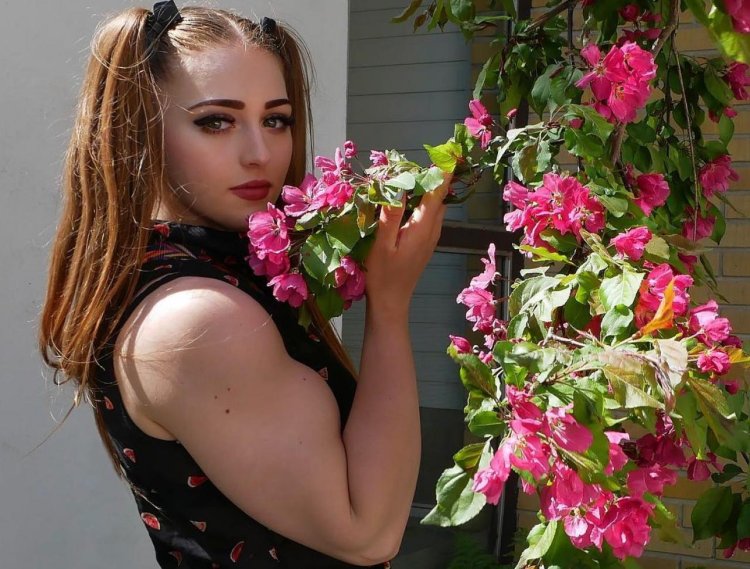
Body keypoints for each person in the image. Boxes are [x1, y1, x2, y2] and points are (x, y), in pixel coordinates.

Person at [39, 2, 449, 568]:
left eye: (276, 120)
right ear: (141, 129)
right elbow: (367, 533)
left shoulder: (206, 270)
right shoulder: (199, 317)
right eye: (216, 121)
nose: (260, 154)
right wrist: (390, 304)